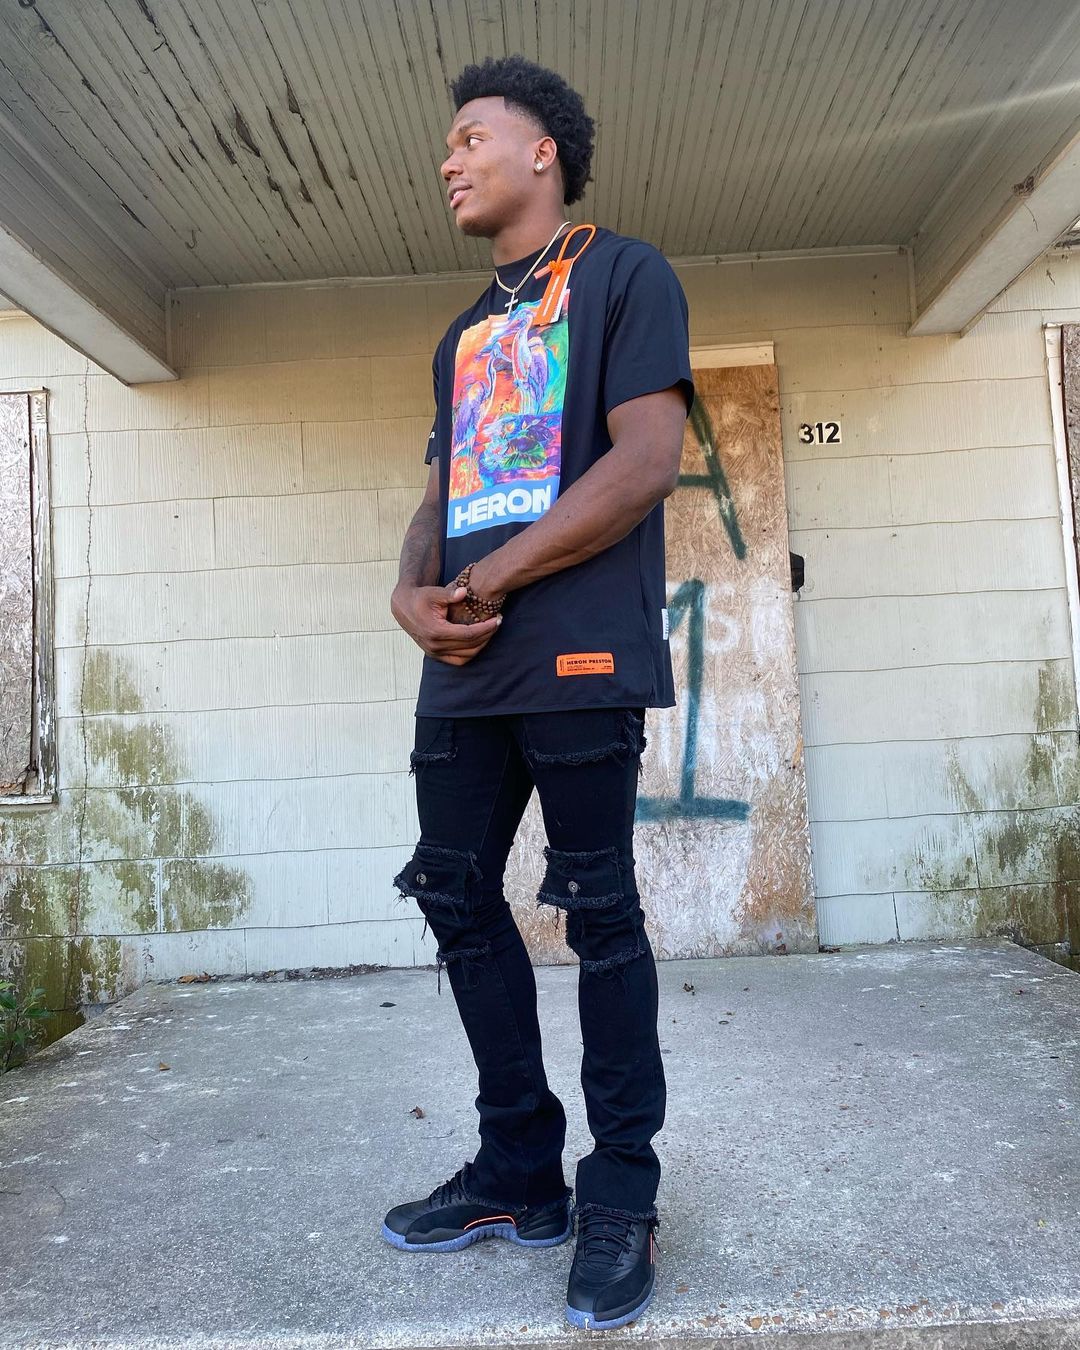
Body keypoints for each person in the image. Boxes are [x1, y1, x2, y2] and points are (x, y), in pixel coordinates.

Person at [383, 54, 692, 1333]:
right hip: (463, 668)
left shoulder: (625, 275)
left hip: (574, 653)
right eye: (449, 144)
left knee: (599, 915)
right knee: (454, 895)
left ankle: (620, 1190)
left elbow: (647, 460)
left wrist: (493, 577)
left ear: (542, 152)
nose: (449, 159)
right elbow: (442, 489)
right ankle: (519, 1166)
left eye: (472, 137)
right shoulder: (464, 333)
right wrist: (411, 591)